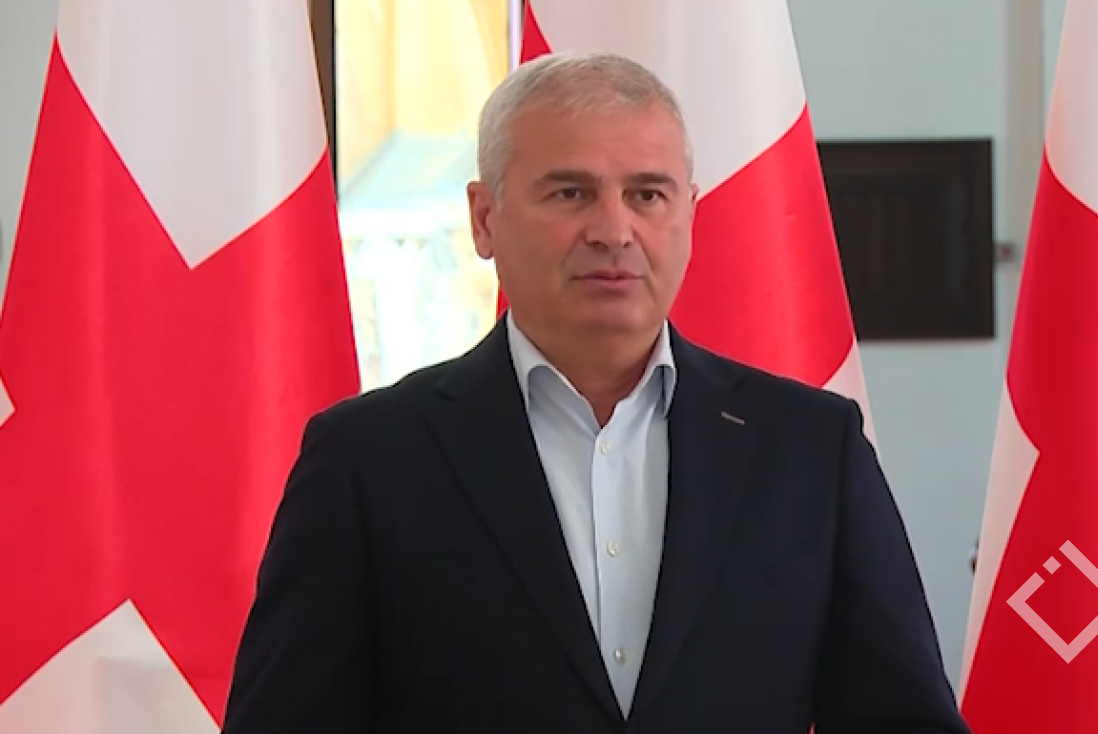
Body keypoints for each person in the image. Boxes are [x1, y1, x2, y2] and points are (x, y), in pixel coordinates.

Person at [220, 50, 972, 733]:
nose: (614, 230)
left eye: (647, 195)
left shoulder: (810, 447)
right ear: (484, 218)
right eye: (571, 193)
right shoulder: (367, 460)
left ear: (689, 212)